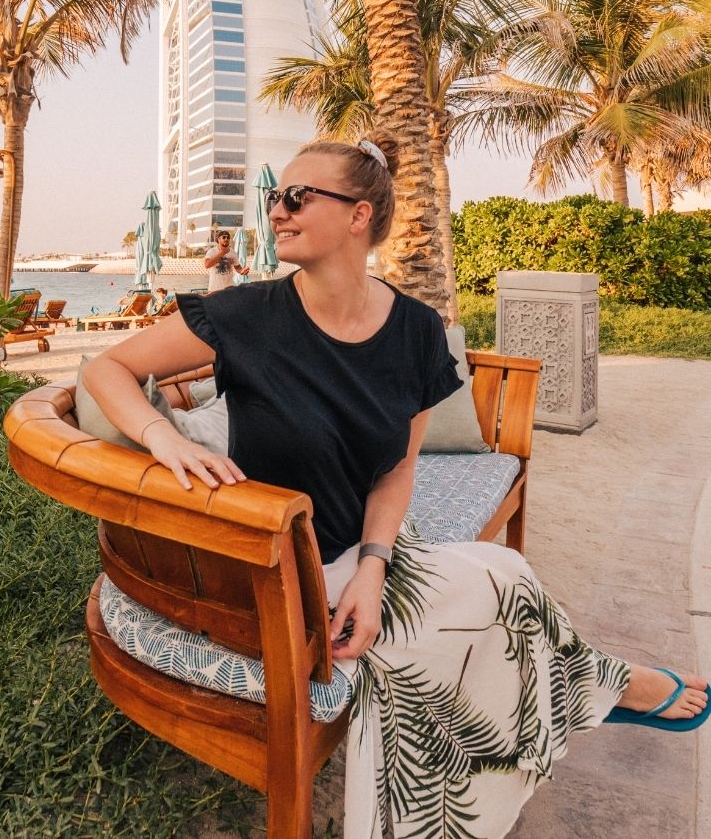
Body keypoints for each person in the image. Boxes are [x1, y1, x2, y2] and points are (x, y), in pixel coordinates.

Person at [83, 133, 709, 839]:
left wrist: (376, 568)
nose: (277, 211)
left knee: (509, 575)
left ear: (357, 216)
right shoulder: (246, 316)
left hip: (365, 554)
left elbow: (396, 466)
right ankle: (613, 684)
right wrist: (162, 437)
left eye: (296, 196)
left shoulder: (414, 331)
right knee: (502, 595)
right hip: (274, 577)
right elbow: (107, 370)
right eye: (274, 197)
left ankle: (598, 686)